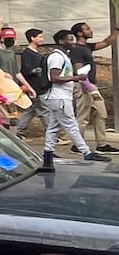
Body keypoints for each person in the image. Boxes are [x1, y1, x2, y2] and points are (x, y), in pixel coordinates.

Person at [40, 30, 107, 171]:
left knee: (53, 128)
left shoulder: (63, 56)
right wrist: (76, 78)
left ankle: (47, 154)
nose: (73, 41)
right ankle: (87, 153)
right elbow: (54, 78)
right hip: (59, 97)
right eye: (70, 39)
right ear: (61, 41)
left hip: (59, 97)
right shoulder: (57, 57)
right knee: (71, 125)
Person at [69, 21, 117, 155]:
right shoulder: (76, 49)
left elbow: (106, 42)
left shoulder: (87, 47)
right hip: (84, 85)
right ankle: (77, 145)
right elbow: (79, 72)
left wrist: (117, 29)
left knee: (100, 113)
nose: (90, 30)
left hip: (91, 85)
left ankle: (101, 144)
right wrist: (89, 87)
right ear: (79, 33)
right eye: (87, 29)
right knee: (83, 116)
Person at [16, 28, 51, 138]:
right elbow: (26, 71)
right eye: (39, 37)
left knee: (31, 110)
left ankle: (19, 131)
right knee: (44, 111)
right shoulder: (27, 53)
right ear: (32, 38)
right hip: (35, 87)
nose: (42, 39)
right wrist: (36, 71)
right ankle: (52, 135)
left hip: (40, 85)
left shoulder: (36, 52)